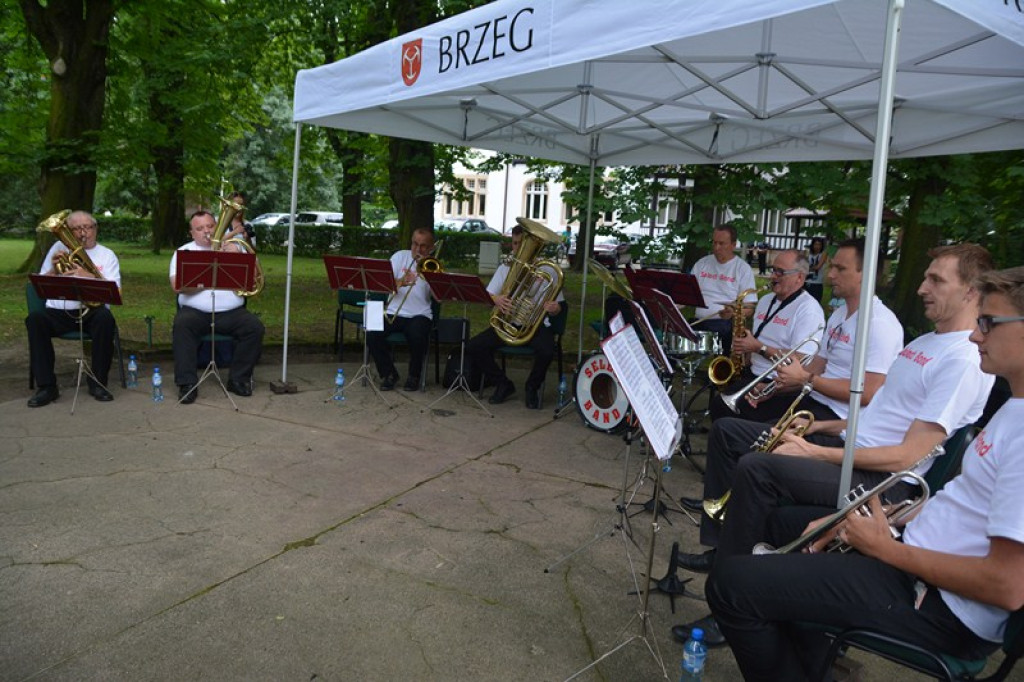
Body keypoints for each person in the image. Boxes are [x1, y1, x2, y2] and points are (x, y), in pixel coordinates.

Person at [705, 265, 1024, 681]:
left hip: (940, 605)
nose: (978, 335)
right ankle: (808, 659)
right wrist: (873, 521)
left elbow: (1006, 586)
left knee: (729, 585)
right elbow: (964, 505)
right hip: (914, 556)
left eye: (989, 322)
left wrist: (884, 548)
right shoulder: (1013, 410)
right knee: (781, 525)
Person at [706, 249, 825, 422]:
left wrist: (758, 348)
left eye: (780, 272)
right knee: (718, 405)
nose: (772, 276)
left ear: (799, 277)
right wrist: (743, 351)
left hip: (778, 386)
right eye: (773, 270)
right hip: (753, 374)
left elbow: (801, 361)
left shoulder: (809, 310)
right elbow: (758, 339)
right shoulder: (765, 300)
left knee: (722, 410)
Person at [465, 221, 566, 408]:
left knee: (547, 350)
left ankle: (532, 387)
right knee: (474, 346)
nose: (517, 248)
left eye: (522, 244)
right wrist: (497, 300)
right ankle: (502, 383)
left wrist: (555, 309)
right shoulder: (505, 268)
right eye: (515, 243)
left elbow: (559, 305)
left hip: (535, 326)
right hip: (507, 323)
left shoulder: (548, 270)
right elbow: (488, 295)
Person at [25, 210, 121, 407]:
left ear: (95, 229)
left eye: (87, 227)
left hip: (91, 312)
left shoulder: (107, 255)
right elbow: (41, 285)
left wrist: (89, 276)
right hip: (58, 312)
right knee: (35, 320)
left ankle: (98, 382)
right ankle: (47, 387)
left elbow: (116, 292)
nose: (82, 233)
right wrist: (53, 271)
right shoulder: (58, 248)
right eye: (76, 229)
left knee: (105, 319)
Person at [170, 210, 266, 403]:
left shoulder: (234, 248)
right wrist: (205, 278)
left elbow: (256, 280)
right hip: (195, 312)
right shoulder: (184, 252)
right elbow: (176, 286)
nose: (206, 231)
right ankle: (187, 383)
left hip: (231, 312)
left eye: (210, 226)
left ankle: (238, 379)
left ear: (217, 227)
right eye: (200, 228)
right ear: (192, 233)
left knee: (254, 327)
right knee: (182, 325)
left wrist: (239, 254)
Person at [367, 227, 436, 391]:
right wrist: (401, 281)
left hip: (420, 314)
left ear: (431, 248)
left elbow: (439, 297)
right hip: (393, 311)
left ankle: (414, 376)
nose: (418, 249)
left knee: (417, 335)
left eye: (423, 246)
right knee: (372, 331)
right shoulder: (399, 257)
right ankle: (389, 373)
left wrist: (431, 277)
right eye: (415, 244)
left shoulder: (433, 265)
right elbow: (384, 284)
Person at [691, 224, 758, 355]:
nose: (716, 248)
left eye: (721, 244)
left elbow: (749, 307)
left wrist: (733, 313)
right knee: (673, 334)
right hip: (698, 321)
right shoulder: (702, 264)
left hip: (724, 324)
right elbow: (687, 295)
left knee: (723, 329)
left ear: (733, 245)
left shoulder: (742, 269)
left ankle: (721, 364)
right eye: (714, 242)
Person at [805, 236, 828, 301]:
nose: (817, 246)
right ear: (812, 245)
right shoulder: (808, 253)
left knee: (815, 301)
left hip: (817, 283)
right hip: (806, 281)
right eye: (816, 244)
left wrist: (807, 268)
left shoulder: (823, 254)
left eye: (819, 244)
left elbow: (818, 267)